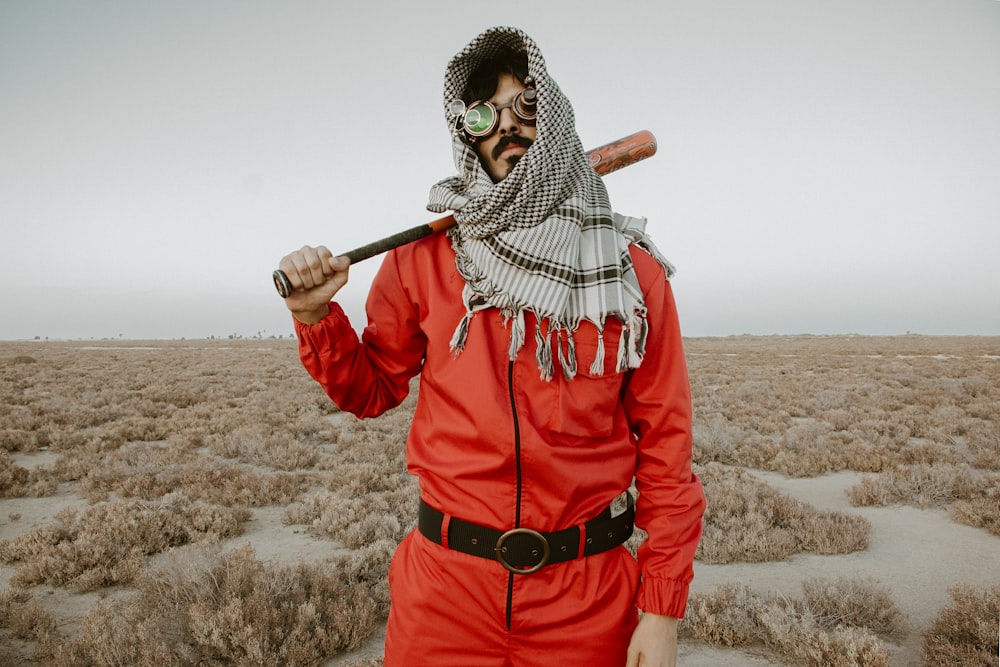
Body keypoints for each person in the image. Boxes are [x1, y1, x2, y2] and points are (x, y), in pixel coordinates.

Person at [277, 26, 704, 667]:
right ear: (465, 130)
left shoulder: (629, 274)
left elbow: (667, 453)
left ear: (552, 114)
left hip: (586, 600)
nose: (506, 125)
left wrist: (662, 609)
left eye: (526, 105)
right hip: (445, 596)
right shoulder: (422, 259)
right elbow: (370, 391)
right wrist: (316, 318)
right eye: (483, 113)